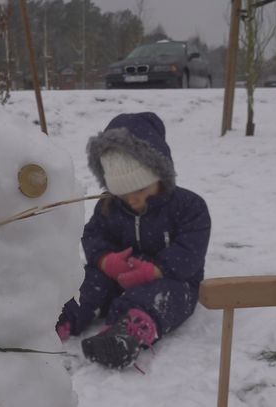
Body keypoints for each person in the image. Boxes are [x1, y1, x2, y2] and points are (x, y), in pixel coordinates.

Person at [56, 112, 211, 369]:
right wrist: (106, 261)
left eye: (140, 190)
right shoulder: (109, 206)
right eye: (122, 193)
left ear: (160, 176)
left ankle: (125, 332)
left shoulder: (189, 207)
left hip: (169, 279)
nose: (132, 200)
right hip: (117, 276)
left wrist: (156, 269)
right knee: (88, 282)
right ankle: (60, 318)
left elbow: (191, 251)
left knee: (165, 296)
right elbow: (94, 234)